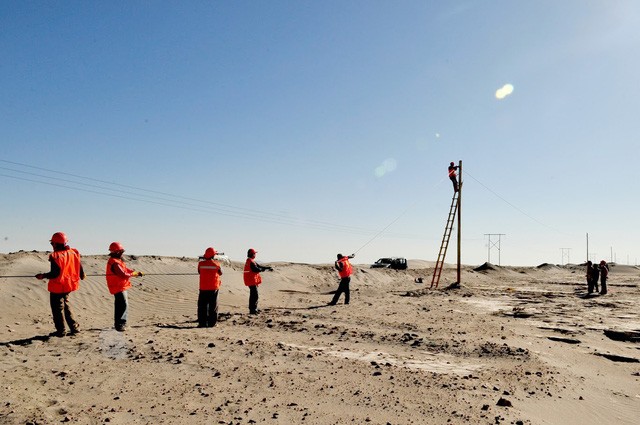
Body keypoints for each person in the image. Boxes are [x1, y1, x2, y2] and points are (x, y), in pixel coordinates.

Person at [35, 232, 85, 337]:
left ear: (56, 244)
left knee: (57, 309)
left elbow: (55, 273)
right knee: (66, 306)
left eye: (52, 243)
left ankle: (61, 331)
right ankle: (74, 327)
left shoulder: (55, 256)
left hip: (57, 287)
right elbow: (78, 264)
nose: (52, 245)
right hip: (69, 286)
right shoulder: (73, 252)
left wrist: (43, 276)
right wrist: (82, 274)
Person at [105, 242, 143, 332]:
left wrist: (135, 272)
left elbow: (125, 270)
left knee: (121, 305)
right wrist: (133, 274)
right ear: (117, 252)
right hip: (118, 287)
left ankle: (119, 323)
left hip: (120, 286)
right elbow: (123, 274)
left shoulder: (117, 260)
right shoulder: (115, 262)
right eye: (121, 251)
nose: (122, 253)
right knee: (122, 305)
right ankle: (120, 324)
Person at [197, 247, 223, 327]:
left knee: (202, 307)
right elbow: (221, 272)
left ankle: (202, 323)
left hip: (203, 288)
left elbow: (199, 271)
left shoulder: (200, 264)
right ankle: (212, 323)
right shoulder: (217, 264)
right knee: (213, 306)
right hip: (213, 288)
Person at [243, 248, 273, 315]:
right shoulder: (251, 262)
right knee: (254, 295)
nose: (255, 255)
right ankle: (253, 310)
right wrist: (263, 270)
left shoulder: (251, 261)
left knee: (254, 295)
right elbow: (256, 269)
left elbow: (259, 266)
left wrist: (267, 268)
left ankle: (254, 308)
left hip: (251, 281)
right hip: (251, 281)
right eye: (254, 253)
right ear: (252, 254)